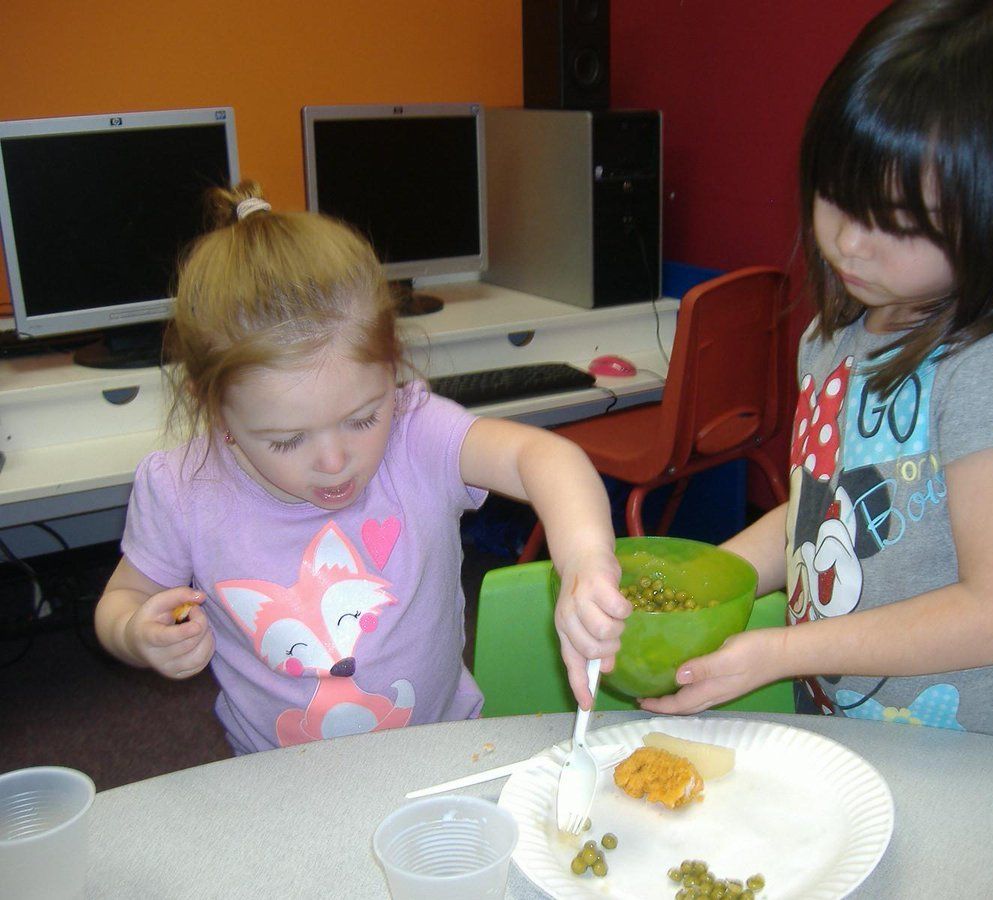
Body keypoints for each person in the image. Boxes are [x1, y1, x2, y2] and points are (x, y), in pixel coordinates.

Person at [559, 0, 993, 748]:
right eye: (836, 197)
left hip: (987, 751)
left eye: (898, 223)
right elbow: (822, 506)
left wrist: (781, 651)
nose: (848, 242)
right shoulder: (838, 333)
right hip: (857, 724)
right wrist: (709, 582)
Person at [95, 182, 629, 754]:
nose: (333, 461)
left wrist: (585, 559)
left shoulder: (415, 433)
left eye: (362, 418)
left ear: (391, 370)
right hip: (279, 779)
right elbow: (120, 602)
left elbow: (545, 457)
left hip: (439, 752)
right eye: (286, 440)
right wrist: (135, 633)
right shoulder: (183, 488)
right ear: (214, 405)